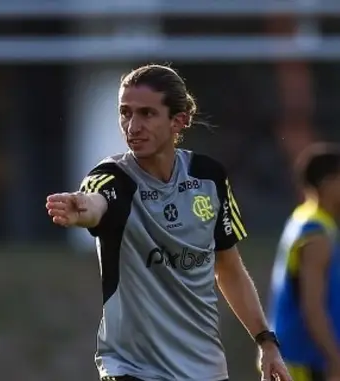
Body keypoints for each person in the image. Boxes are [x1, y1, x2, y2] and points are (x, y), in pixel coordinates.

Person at [45, 64, 291, 381]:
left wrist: (266, 343)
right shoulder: (112, 177)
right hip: (132, 370)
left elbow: (228, 267)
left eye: (146, 114)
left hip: (204, 370)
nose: (132, 126)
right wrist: (85, 209)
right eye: (125, 113)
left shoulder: (208, 177)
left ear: (179, 120)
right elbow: (98, 201)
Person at [269, 143, 340, 381]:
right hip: (305, 363)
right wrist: (335, 358)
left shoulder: (303, 217)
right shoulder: (316, 235)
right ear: (328, 183)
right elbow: (312, 307)